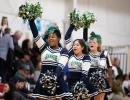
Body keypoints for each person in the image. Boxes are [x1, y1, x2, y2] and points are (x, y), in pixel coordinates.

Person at [29, 19, 71, 100]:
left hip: (57, 81)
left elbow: (60, 66)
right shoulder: (44, 48)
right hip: (43, 81)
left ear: (58, 38)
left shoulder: (63, 51)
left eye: (53, 37)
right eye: (49, 37)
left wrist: (53, 79)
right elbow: (35, 35)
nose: (50, 38)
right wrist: (31, 21)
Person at [65, 24, 98, 100]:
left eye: (77, 45)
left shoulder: (86, 57)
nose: (74, 46)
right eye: (73, 45)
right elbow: (67, 37)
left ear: (82, 47)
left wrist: (79, 86)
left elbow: (84, 73)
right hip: (70, 82)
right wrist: (72, 25)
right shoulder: (71, 53)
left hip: (83, 83)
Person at [84, 32, 111, 100]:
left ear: (98, 44)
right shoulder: (85, 54)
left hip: (99, 79)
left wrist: (109, 80)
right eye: (90, 42)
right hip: (87, 79)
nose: (91, 43)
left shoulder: (103, 54)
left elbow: (108, 67)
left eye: (94, 42)